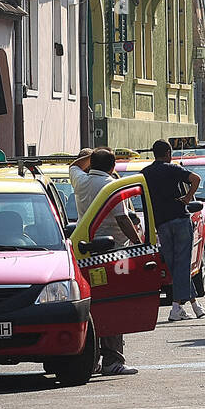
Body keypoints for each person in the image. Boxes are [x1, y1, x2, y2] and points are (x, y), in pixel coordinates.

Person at [70, 148, 142, 375]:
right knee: (114, 305)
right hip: (112, 254)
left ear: (91, 164)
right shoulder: (111, 186)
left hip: (86, 251)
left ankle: (94, 360)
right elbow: (122, 218)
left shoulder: (81, 181)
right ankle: (113, 360)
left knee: (95, 306)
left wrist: (90, 156)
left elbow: (73, 166)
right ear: (112, 167)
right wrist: (140, 243)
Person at [142, 140, 203, 322]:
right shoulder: (173, 168)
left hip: (161, 223)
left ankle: (195, 305)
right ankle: (176, 307)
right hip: (179, 218)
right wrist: (188, 197)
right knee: (182, 264)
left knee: (175, 266)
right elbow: (196, 179)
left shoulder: (145, 173)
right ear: (168, 153)